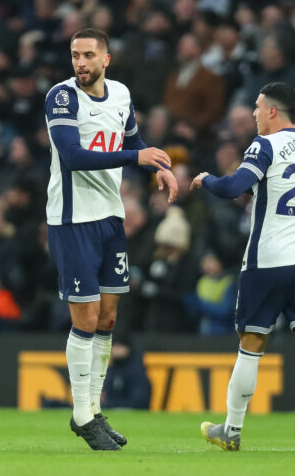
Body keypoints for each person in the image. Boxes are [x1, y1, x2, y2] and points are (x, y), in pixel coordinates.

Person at [191, 82, 295, 452]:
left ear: (273, 111)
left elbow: (235, 187)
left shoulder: (264, 145)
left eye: (258, 108)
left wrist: (207, 180)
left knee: (251, 345)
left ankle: (231, 430)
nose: (255, 114)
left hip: (269, 261)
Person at [44, 28, 177, 450]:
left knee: (107, 319)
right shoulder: (62, 97)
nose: (80, 63)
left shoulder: (120, 94)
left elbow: (132, 139)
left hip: (109, 219)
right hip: (72, 220)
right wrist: (135, 156)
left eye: (87, 55)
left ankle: (94, 410)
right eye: (74, 55)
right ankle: (82, 413)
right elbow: (73, 156)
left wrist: (154, 163)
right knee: (84, 319)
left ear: (106, 59)